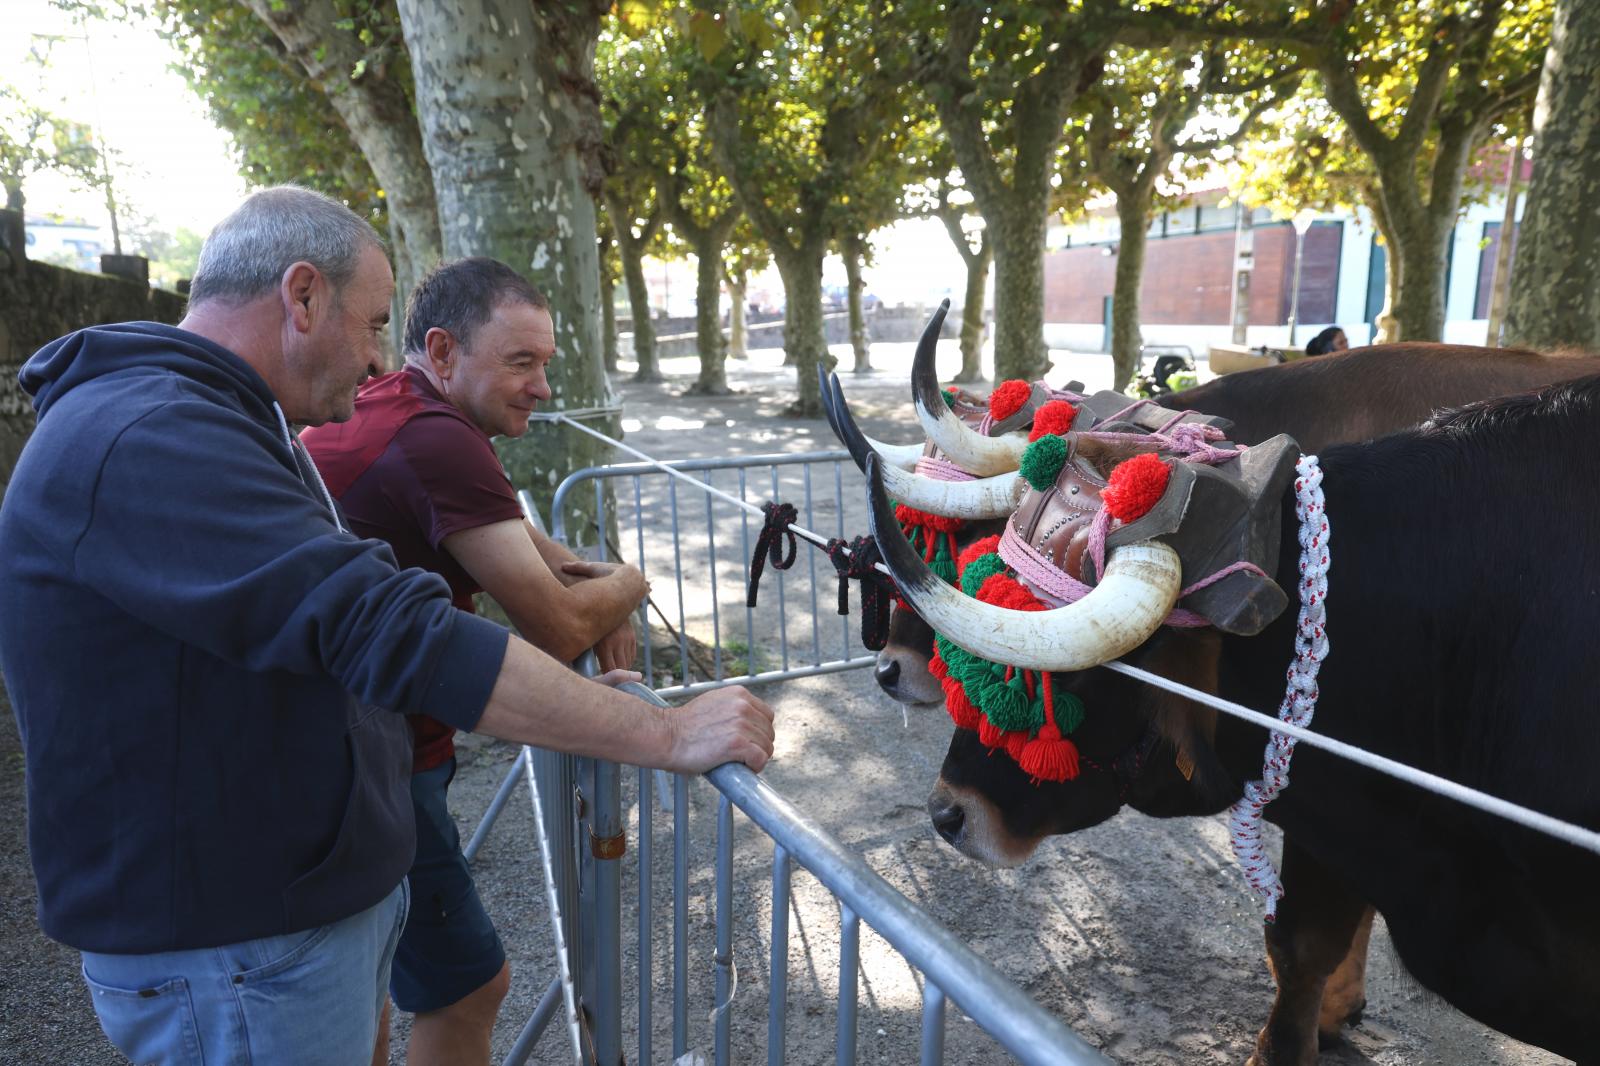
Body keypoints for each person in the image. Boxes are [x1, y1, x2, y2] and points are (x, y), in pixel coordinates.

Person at [0, 186, 775, 1066]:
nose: (377, 363)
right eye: (372, 325)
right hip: (240, 942)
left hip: (288, 910)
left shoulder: (227, 421)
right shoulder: (150, 435)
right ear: (302, 297)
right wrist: (665, 733)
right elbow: (394, 628)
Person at [300, 258, 644, 1064]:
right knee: (467, 988)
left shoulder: (397, 403)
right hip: (374, 763)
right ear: (445, 352)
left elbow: (542, 563)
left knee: (378, 982)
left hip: (341, 743)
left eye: (547, 364)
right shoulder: (436, 441)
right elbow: (557, 622)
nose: (544, 387)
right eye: (521, 362)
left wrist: (597, 601)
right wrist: (630, 584)